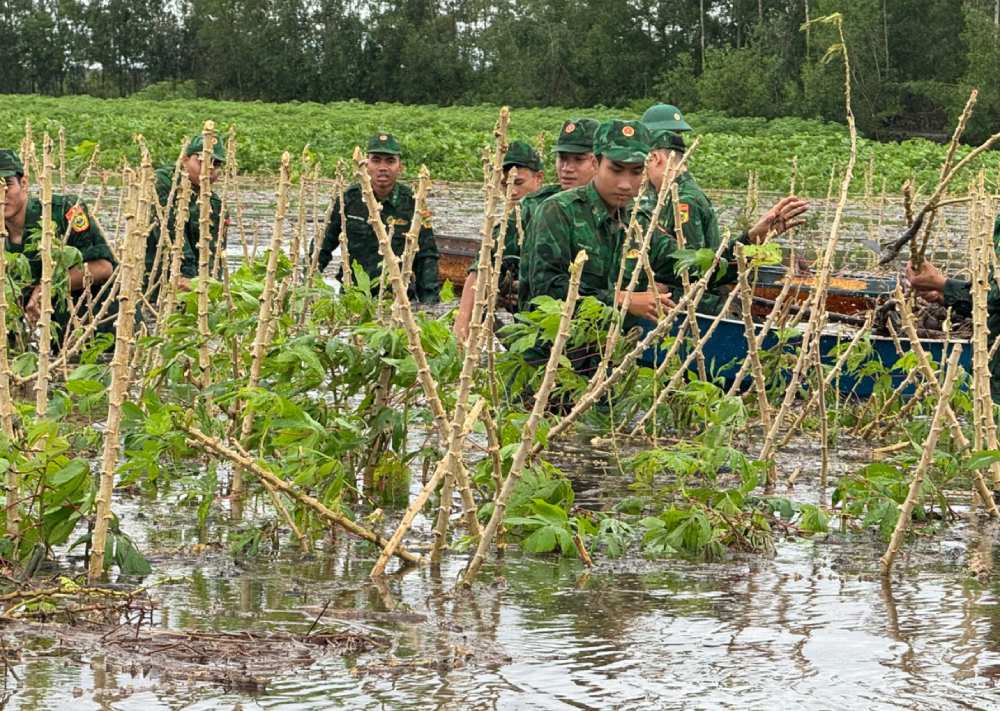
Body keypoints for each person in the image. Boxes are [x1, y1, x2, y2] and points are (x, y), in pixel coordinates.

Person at [518, 119, 678, 374]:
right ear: (596, 164)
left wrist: (748, 241)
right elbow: (547, 291)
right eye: (616, 170)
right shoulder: (558, 212)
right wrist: (621, 301)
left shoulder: (639, 223)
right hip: (550, 364)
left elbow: (689, 268)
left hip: (608, 364)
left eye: (636, 172)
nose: (625, 183)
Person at [636, 128, 809, 314]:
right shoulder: (677, 194)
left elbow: (694, 268)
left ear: (655, 158)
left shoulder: (684, 200)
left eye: (641, 167)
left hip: (695, 306)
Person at [1, 149, 117, 345]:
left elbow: (103, 267)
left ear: (24, 184)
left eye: (7, 185)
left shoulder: (64, 211)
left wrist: (47, 288)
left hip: (102, 325)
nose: (1, 195)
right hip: (57, 340)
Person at [316, 133, 439, 304]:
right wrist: (308, 284)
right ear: (366, 165)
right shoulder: (349, 200)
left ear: (399, 167)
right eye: (376, 160)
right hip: (354, 297)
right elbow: (322, 246)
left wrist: (430, 303)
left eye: (390, 161)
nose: (383, 167)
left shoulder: (415, 203)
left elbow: (427, 255)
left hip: (398, 299)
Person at [453, 141, 544, 343]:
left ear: (539, 179)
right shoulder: (510, 225)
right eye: (505, 185)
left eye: (518, 183)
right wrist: (462, 323)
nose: (511, 192)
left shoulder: (547, 209)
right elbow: (481, 267)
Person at [907, 223, 1000, 401]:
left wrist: (943, 284)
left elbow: (995, 296)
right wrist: (942, 296)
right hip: (990, 369)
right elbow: (990, 305)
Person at [144, 134, 226, 299]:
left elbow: (214, 254)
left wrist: (211, 285)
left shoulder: (215, 204)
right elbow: (171, 232)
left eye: (216, 164)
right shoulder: (163, 183)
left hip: (194, 288)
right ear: (185, 159)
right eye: (202, 161)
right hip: (154, 283)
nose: (209, 169)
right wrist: (186, 277)